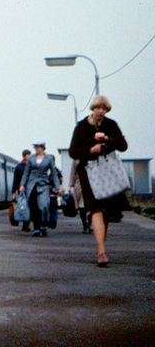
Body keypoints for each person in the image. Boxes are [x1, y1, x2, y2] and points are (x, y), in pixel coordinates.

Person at [69, 95, 128, 267]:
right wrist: (91, 149)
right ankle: (101, 252)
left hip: (107, 171)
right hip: (88, 171)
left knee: (107, 212)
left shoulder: (111, 125)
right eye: (98, 108)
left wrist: (107, 139)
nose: (100, 111)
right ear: (93, 108)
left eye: (104, 108)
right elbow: (73, 151)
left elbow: (123, 146)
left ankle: (100, 248)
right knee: (96, 208)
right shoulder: (81, 126)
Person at [19, 141, 60, 237]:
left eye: (37, 147)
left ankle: (44, 225)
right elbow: (26, 172)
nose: (36, 149)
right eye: (35, 147)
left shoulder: (48, 159)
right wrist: (22, 184)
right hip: (31, 185)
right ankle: (36, 228)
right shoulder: (31, 159)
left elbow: (54, 173)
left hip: (43, 184)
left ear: (42, 148)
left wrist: (58, 187)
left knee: (44, 205)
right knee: (34, 207)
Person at [68, 159, 92, 234]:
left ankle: (89, 224)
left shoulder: (92, 155)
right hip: (79, 183)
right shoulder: (76, 159)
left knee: (91, 205)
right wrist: (70, 184)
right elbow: (73, 171)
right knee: (81, 206)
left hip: (91, 183)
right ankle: (85, 225)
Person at [11, 149, 32, 232]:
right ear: (24, 156)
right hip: (22, 190)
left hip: (31, 189)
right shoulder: (19, 167)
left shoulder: (32, 166)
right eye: (28, 155)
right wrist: (13, 192)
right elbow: (15, 180)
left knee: (30, 206)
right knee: (24, 206)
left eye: (30, 155)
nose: (29, 156)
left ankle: (26, 224)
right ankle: (25, 224)